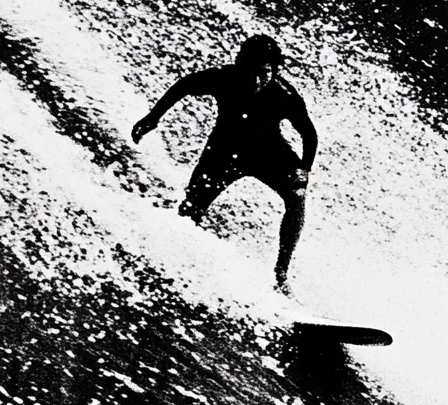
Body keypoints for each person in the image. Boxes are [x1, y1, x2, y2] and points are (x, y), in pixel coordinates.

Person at [131, 34, 317, 289]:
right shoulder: (223, 77)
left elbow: (309, 134)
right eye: (249, 71)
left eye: (263, 72)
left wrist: (304, 169)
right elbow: (183, 85)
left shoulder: (285, 95)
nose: (255, 80)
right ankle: (171, 264)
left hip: (268, 153)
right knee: (189, 211)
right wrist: (153, 118)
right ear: (239, 65)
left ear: (275, 71)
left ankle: (281, 274)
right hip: (224, 152)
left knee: (296, 196)